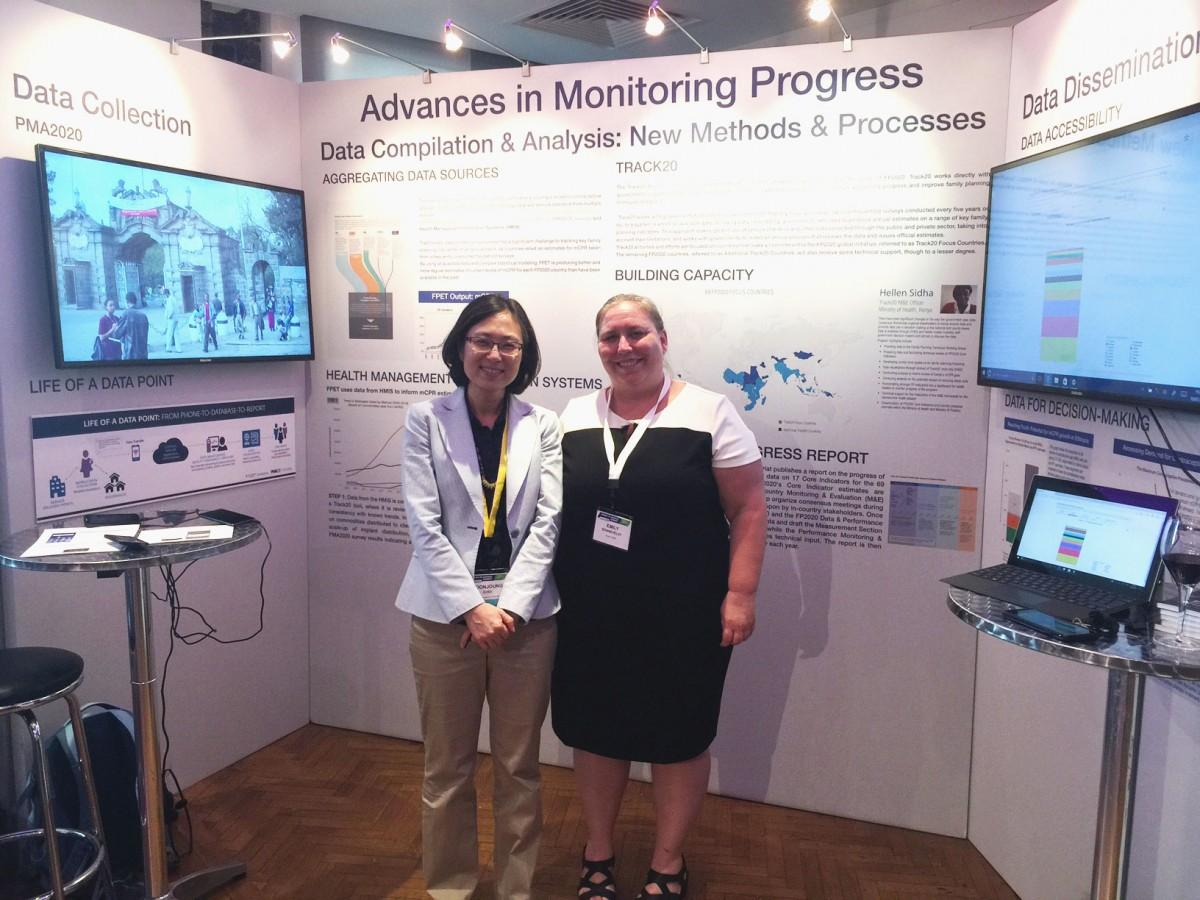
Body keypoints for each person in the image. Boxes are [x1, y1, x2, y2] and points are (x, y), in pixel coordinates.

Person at [553, 294, 766, 900]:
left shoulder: (709, 411)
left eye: (636, 333)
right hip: (591, 613)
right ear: (598, 347)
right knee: (596, 733)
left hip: (685, 613)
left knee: (679, 737)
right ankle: (598, 854)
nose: (624, 347)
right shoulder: (572, 416)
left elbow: (748, 507)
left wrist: (741, 593)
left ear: (662, 339)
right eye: (610, 336)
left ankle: (667, 862)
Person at [395, 294, 562, 900]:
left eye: (509, 344)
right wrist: (472, 607)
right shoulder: (425, 419)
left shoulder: (542, 424)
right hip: (445, 620)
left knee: (519, 768)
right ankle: (451, 889)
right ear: (461, 346)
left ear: (524, 355)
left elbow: (548, 522)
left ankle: (516, 890)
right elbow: (424, 523)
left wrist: (509, 608)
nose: (495, 354)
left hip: (525, 623)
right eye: (483, 340)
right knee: (446, 770)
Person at [114, 291, 149, 360]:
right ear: (135, 301)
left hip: (130, 353)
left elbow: (117, 334)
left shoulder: (126, 314)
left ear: (127, 301)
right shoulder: (144, 316)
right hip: (143, 353)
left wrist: (115, 328)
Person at [162, 287, 183, 352]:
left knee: (169, 333)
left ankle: (168, 348)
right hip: (176, 318)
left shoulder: (169, 300)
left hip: (172, 318)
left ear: (166, 294)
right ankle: (179, 349)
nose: (164, 296)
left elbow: (171, 310)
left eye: (164, 295)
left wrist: (168, 316)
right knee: (176, 334)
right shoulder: (174, 298)